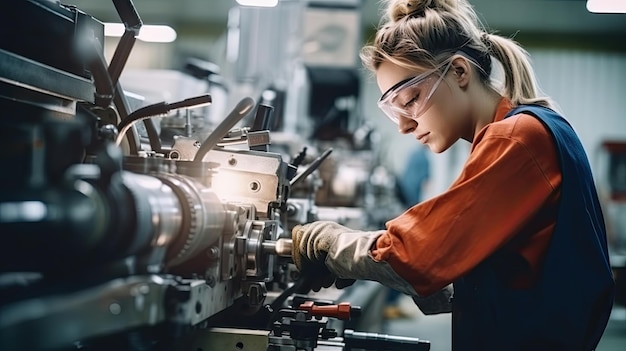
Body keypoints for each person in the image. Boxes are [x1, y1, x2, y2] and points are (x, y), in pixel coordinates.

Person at [290, 0, 615, 350]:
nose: (402, 125)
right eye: (392, 110)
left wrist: (333, 243)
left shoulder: (516, 138)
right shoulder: (527, 130)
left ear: (459, 72)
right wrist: (369, 268)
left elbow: (419, 252)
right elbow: (504, 274)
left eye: (410, 99)